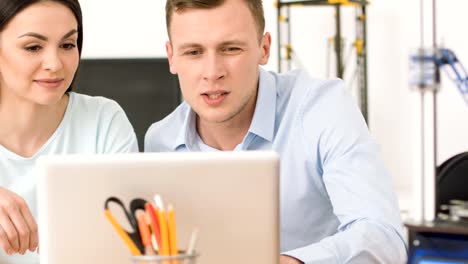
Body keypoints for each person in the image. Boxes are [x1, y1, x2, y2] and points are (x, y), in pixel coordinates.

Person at [145, 0, 406, 263]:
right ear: (172, 57)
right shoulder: (160, 142)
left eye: (231, 48)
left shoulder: (322, 108)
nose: (212, 73)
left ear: (264, 48)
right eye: (193, 52)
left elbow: (383, 237)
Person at [0, 0, 138, 262]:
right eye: (33, 47)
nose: (55, 63)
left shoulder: (104, 122)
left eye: (67, 45)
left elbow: (125, 245)